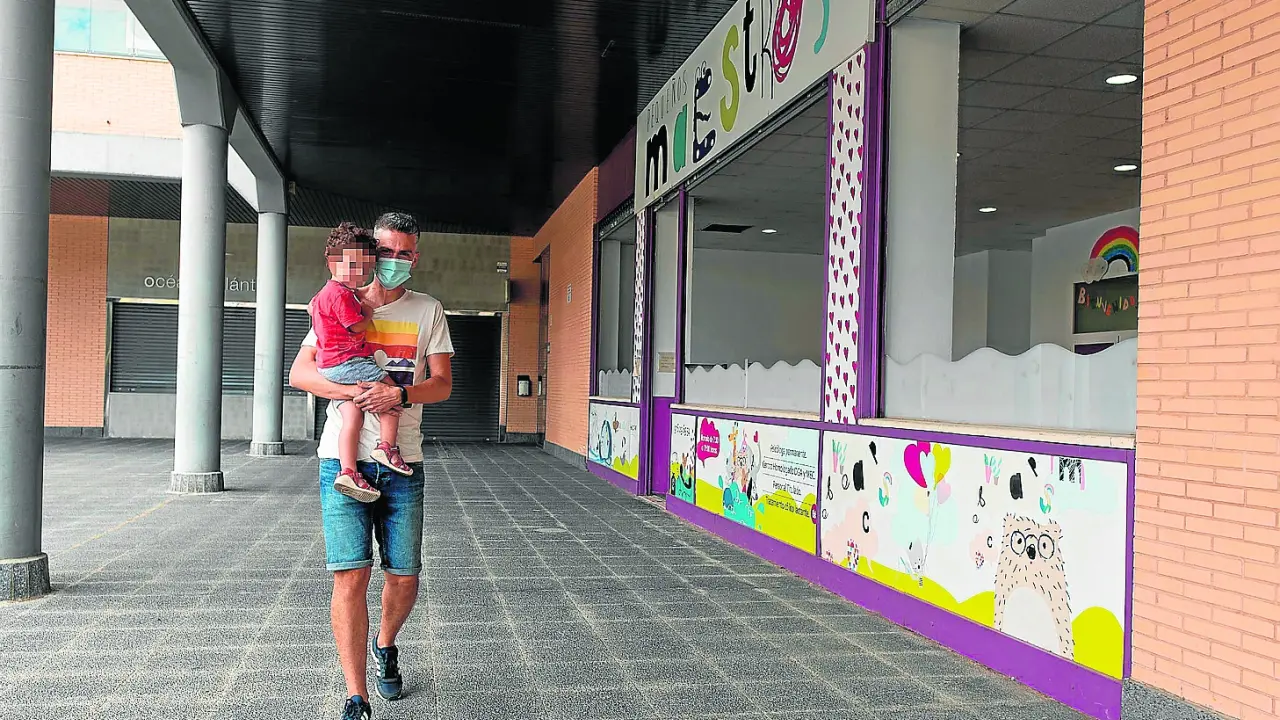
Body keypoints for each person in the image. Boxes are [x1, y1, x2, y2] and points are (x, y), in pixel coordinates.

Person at [290, 212, 453, 720]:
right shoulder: (338, 299)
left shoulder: (428, 310)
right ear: (367, 253)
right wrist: (356, 392)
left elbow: (442, 385)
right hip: (341, 462)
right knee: (350, 575)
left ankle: (385, 643)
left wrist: (398, 394)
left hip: (404, 462)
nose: (394, 261)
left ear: (415, 257)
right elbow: (300, 374)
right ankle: (356, 695)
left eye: (405, 253)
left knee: (404, 576)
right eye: (386, 252)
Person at [309, 223, 413, 504]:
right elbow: (356, 326)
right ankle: (387, 447)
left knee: (352, 418)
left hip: (330, 365)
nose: (358, 274)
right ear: (331, 261)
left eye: (364, 268)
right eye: (352, 265)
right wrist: (368, 311)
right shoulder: (341, 295)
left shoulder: (323, 295)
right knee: (392, 393)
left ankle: (348, 471)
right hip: (348, 361)